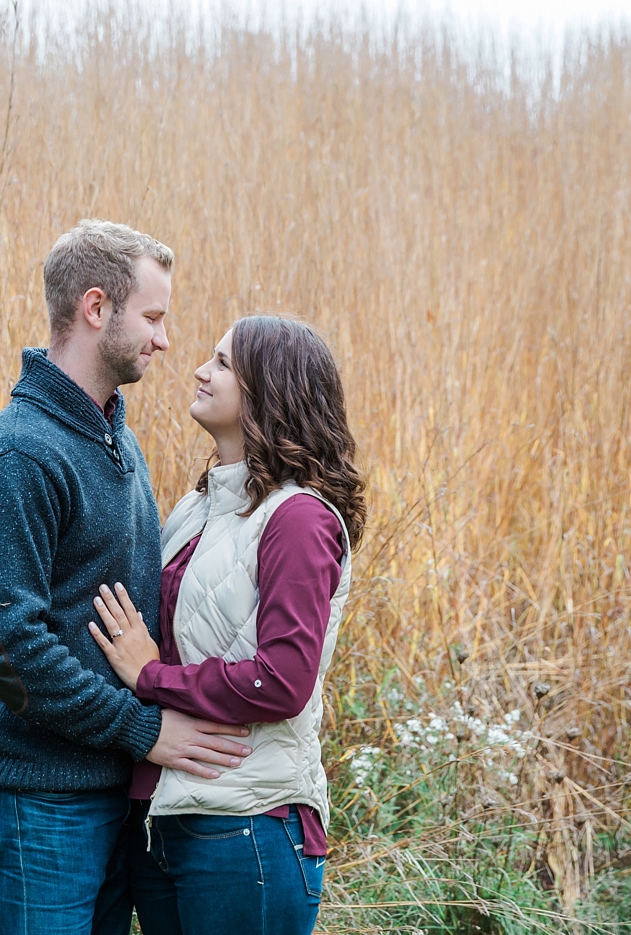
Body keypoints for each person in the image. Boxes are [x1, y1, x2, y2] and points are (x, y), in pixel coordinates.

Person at [0, 220, 254, 935]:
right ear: (96, 308)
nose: (164, 339)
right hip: (37, 801)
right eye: (153, 316)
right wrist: (140, 727)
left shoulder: (115, 435)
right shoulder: (22, 454)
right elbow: (3, 644)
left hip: (109, 793)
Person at [89, 315, 367, 935]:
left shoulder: (298, 519)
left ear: (271, 391)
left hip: (248, 828)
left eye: (221, 363)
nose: (199, 370)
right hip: (166, 820)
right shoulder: (199, 506)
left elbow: (284, 681)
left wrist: (151, 676)